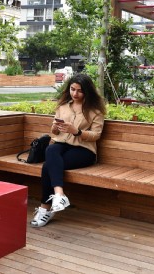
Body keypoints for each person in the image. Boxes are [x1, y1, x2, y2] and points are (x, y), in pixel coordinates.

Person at [30, 74, 106, 228]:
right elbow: (55, 134)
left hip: (83, 150)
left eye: (79, 91)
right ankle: (59, 195)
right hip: (61, 145)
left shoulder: (95, 111)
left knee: (47, 167)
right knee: (51, 149)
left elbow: (96, 135)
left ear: (87, 91)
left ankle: (46, 209)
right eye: (72, 89)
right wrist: (54, 128)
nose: (75, 94)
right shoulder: (63, 106)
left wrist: (77, 131)